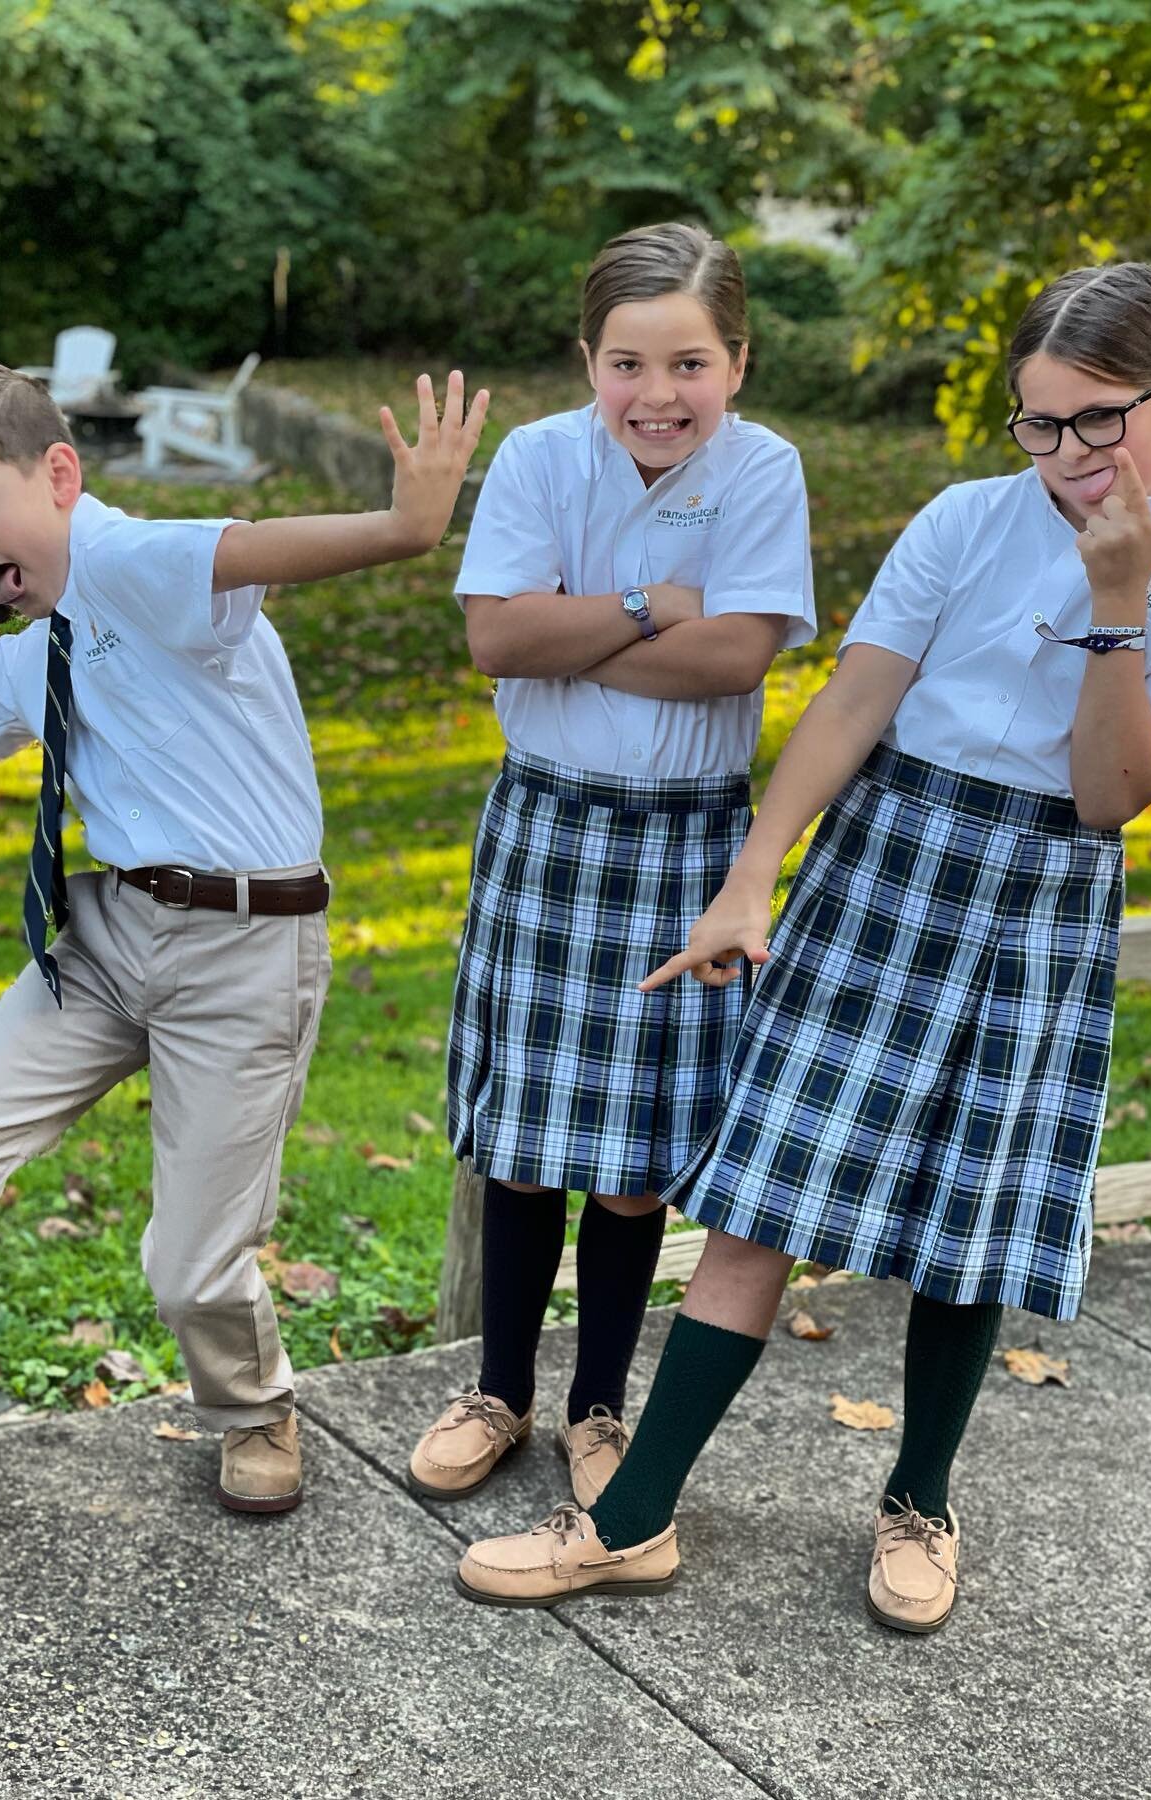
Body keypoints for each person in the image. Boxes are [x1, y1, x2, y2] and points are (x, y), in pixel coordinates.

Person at [456, 261, 1151, 1632]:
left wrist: (1119, 603)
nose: (1067, 457)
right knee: (759, 1200)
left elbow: (1114, 795)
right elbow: (852, 703)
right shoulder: (963, 521)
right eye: (1038, 425)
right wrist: (752, 882)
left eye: (1098, 422)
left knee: (969, 1228)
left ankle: (920, 1498)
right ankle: (629, 1521)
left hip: (1046, 883)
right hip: (892, 855)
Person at [0, 357, 487, 1548]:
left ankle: (256, 1409)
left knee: (193, 1271)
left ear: (61, 473)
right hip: (104, 942)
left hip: (248, 946)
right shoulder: (42, 633)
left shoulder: (131, 565)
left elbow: (257, 547)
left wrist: (407, 524)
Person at [408, 223, 814, 1510]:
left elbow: (736, 660)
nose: (658, 395)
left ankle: (598, 1407)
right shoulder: (537, 458)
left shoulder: (764, 471)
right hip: (548, 820)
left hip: (689, 835)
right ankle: (500, 1392)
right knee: (525, 1138)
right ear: (591, 361)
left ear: (736, 363)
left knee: (638, 1152)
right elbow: (494, 638)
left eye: (689, 362)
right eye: (628, 364)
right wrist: (654, 605)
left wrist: (566, 632)